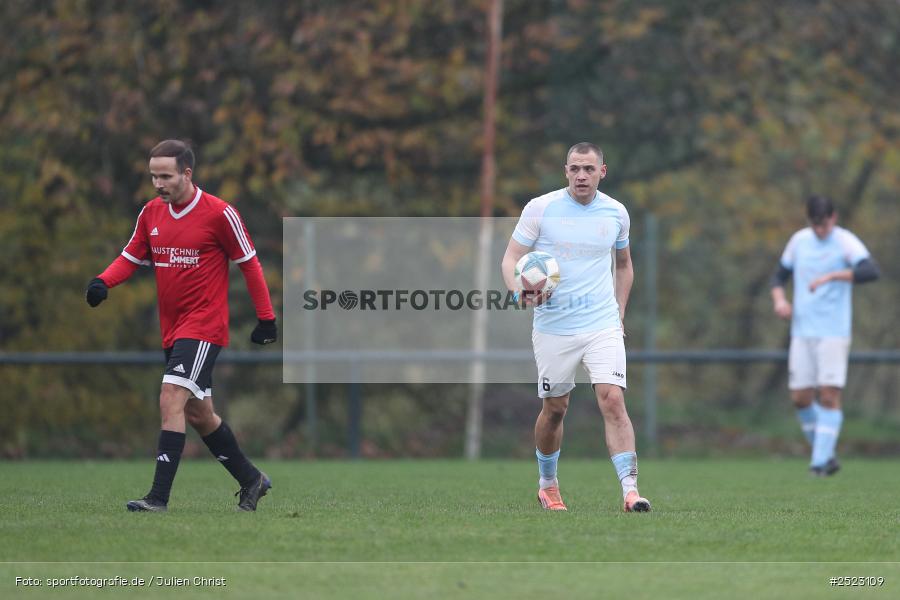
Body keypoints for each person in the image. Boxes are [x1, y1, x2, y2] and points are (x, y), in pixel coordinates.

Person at [85, 139, 278, 512]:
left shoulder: (220, 213)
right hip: (172, 329)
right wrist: (102, 282)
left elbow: (250, 264)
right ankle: (252, 479)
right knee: (198, 414)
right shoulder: (150, 215)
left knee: (170, 396)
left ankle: (157, 498)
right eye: (154, 176)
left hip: (204, 326)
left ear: (187, 174)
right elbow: (130, 257)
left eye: (166, 176)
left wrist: (266, 318)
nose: (159, 183)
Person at [501, 142, 650, 513]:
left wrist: (619, 312)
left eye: (588, 169)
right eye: (574, 169)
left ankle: (631, 492)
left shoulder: (616, 212)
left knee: (613, 399)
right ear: (565, 171)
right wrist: (518, 291)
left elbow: (625, 264)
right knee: (555, 409)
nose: (581, 176)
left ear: (603, 171)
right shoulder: (541, 208)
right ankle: (548, 485)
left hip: (602, 323)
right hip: (554, 326)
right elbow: (511, 258)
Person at [771, 195, 879, 476]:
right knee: (800, 397)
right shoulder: (799, 241)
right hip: (803, 330)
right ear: (810, 221)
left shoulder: (845, 241)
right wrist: (780, 301)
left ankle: (818, 463)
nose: (821, 230)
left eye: (825, 224)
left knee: (829, 394)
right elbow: (779, 277)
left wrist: (832, 276)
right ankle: (827, 454)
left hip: (833, 330)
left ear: (834, 218)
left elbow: (870, 271)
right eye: (816, 224)